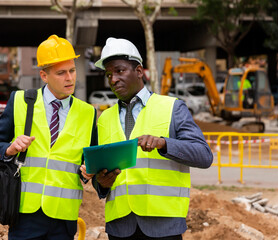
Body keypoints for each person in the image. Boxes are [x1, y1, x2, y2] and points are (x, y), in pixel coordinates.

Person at [81, 37, 213, 240]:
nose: (113, 79)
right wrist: (103, 183)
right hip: (120, 227)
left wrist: (164, 143)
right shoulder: (104, 119)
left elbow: (204, 156)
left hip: (164, 226)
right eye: (108, 74)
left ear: (140, 71)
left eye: (120, 71)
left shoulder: (172, 108)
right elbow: (101, 183)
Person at [0, 34, 97, 240]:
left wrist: (88, 172)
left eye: (72, 70)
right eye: (61, 73)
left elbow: (88, 163)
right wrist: (9, 149)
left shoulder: (88, 113)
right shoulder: (20, 101)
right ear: (44, 76)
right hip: (24, 215)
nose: (70, 78)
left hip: (64, 218)